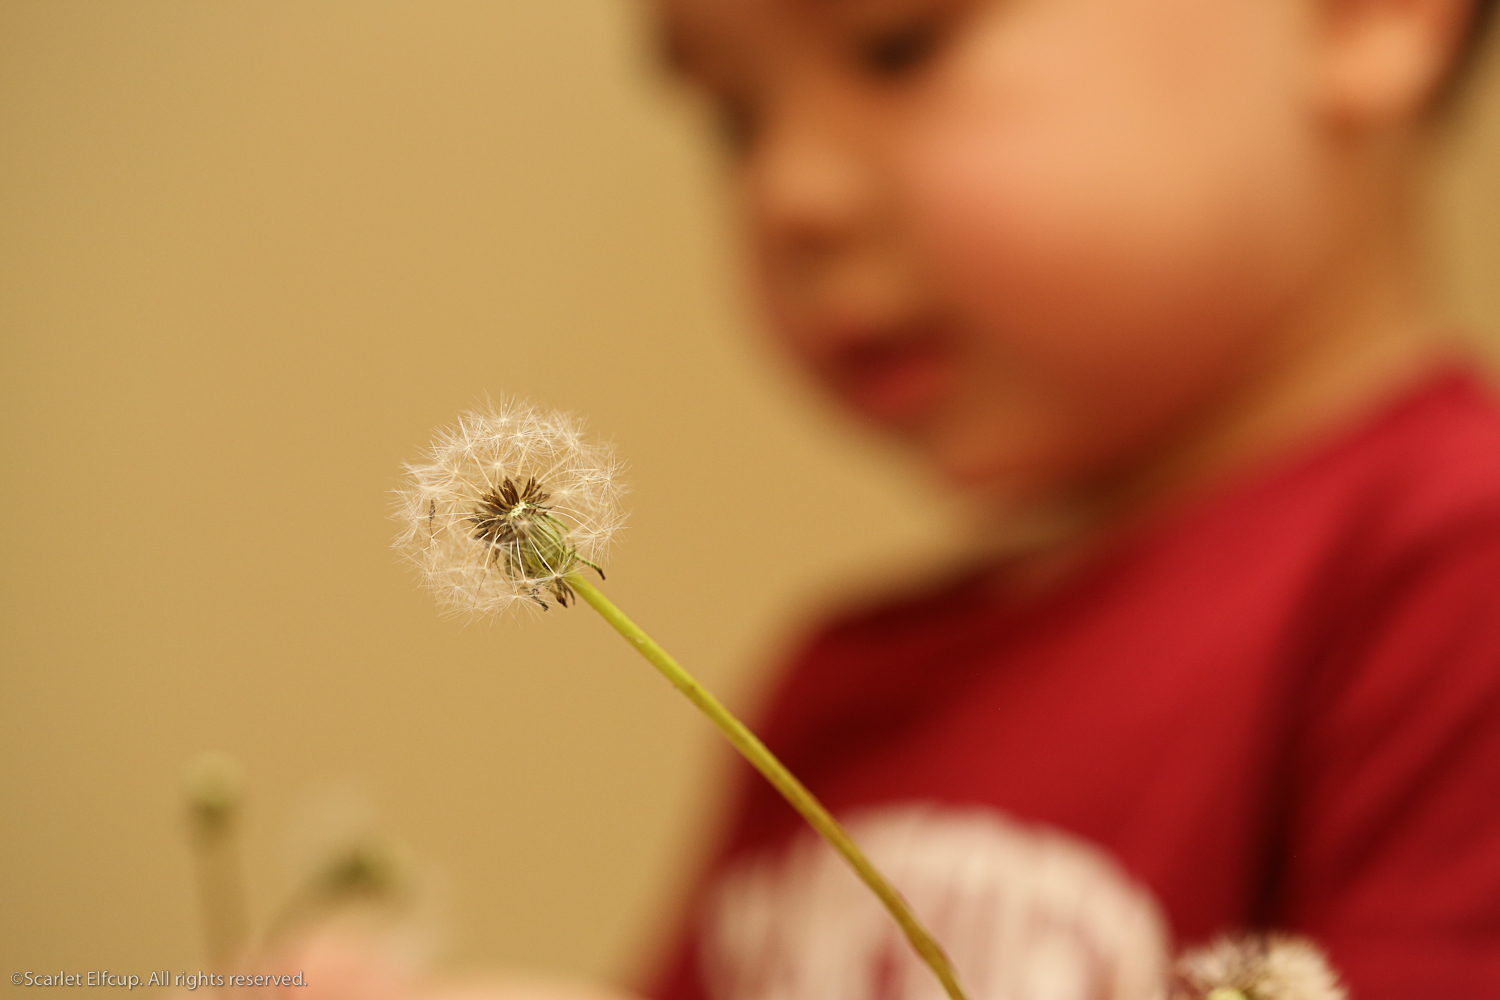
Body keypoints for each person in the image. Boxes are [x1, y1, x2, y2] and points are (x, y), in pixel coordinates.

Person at [630, 0, 1500, 998]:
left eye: (898, 48)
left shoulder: (1457, 579)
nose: (791, 194)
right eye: (734, 119)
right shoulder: (847, 685)